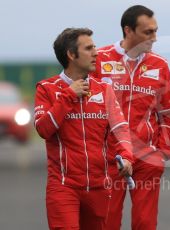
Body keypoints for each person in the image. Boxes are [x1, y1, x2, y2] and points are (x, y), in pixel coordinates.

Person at [34, 27, 134, 230]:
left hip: (99, 188)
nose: (96, 53)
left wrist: (127, 156)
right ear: (71, 55)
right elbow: (43, 130)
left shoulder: (105, 90)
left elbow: (121, 130)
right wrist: (69, 96)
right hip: (63, 186)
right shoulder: (47, 88)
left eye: (95, 47)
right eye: (89, 48)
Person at [91, 5, 170, 230]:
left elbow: (168, 113)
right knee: (107, 222)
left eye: (155, 31)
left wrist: (162, 150)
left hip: (147, 157)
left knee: (145, 223)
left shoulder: (160, 65)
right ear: (128, 31)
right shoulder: (99, 60)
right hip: (110, 156)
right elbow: (86, 108)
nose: (154, 38)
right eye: (148, 32)